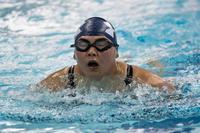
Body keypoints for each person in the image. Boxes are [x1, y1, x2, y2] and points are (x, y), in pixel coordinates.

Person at [38, 17, 174, 92]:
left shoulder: (144, 81)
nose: (91, 52)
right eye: (83, 45)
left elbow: (170, 91)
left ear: (116, 52)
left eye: (101, 44)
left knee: (155, 65)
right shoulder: (56, 82)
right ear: (74, 54)